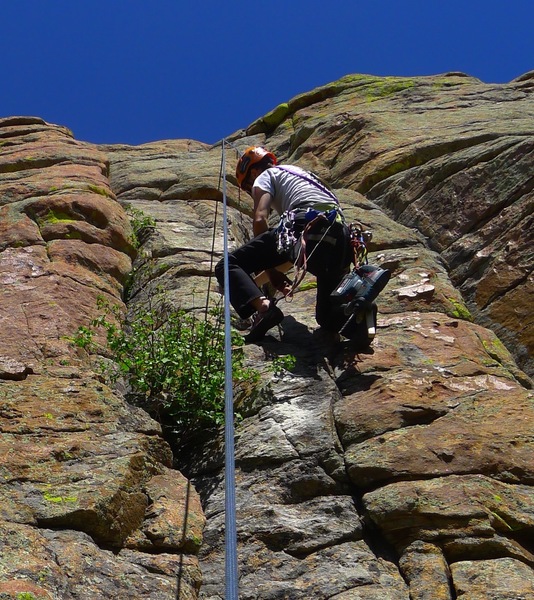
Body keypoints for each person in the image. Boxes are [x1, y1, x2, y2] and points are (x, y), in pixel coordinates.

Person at [215, 146, 362, 343]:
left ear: (254, 172)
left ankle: (264, 308)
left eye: (248, 188)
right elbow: (292, 255)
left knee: (227, 265)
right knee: (328, 318)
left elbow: (260, 219)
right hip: (340, 241)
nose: (252, 192)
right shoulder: (304, 176)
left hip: (306, 226)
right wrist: (271, 274)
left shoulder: (265, 176)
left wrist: (272, 272)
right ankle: (361, 320)